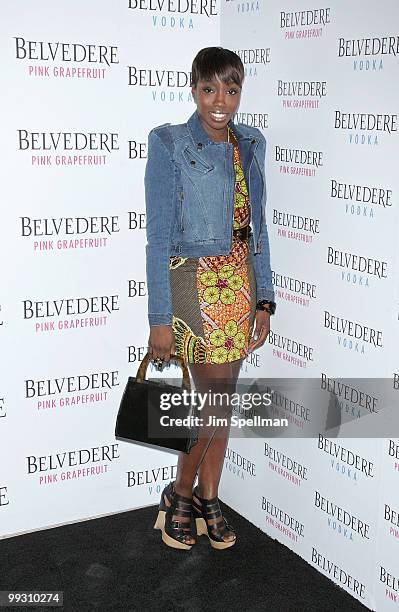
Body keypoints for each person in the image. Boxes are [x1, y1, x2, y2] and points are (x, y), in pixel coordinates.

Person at [144, 47, 276, 550]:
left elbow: (255, 229)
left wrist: (264, 297)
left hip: (239, 285)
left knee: (221, 401)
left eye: (231, 89)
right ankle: (180, 494)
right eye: (210, 89)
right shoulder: (170, 143)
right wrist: (160, 318)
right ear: (194, 87)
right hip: (192, 282)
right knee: (215, 404)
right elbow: (158, 238)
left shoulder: (252, 144)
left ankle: (208, 496)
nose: (221, 101)